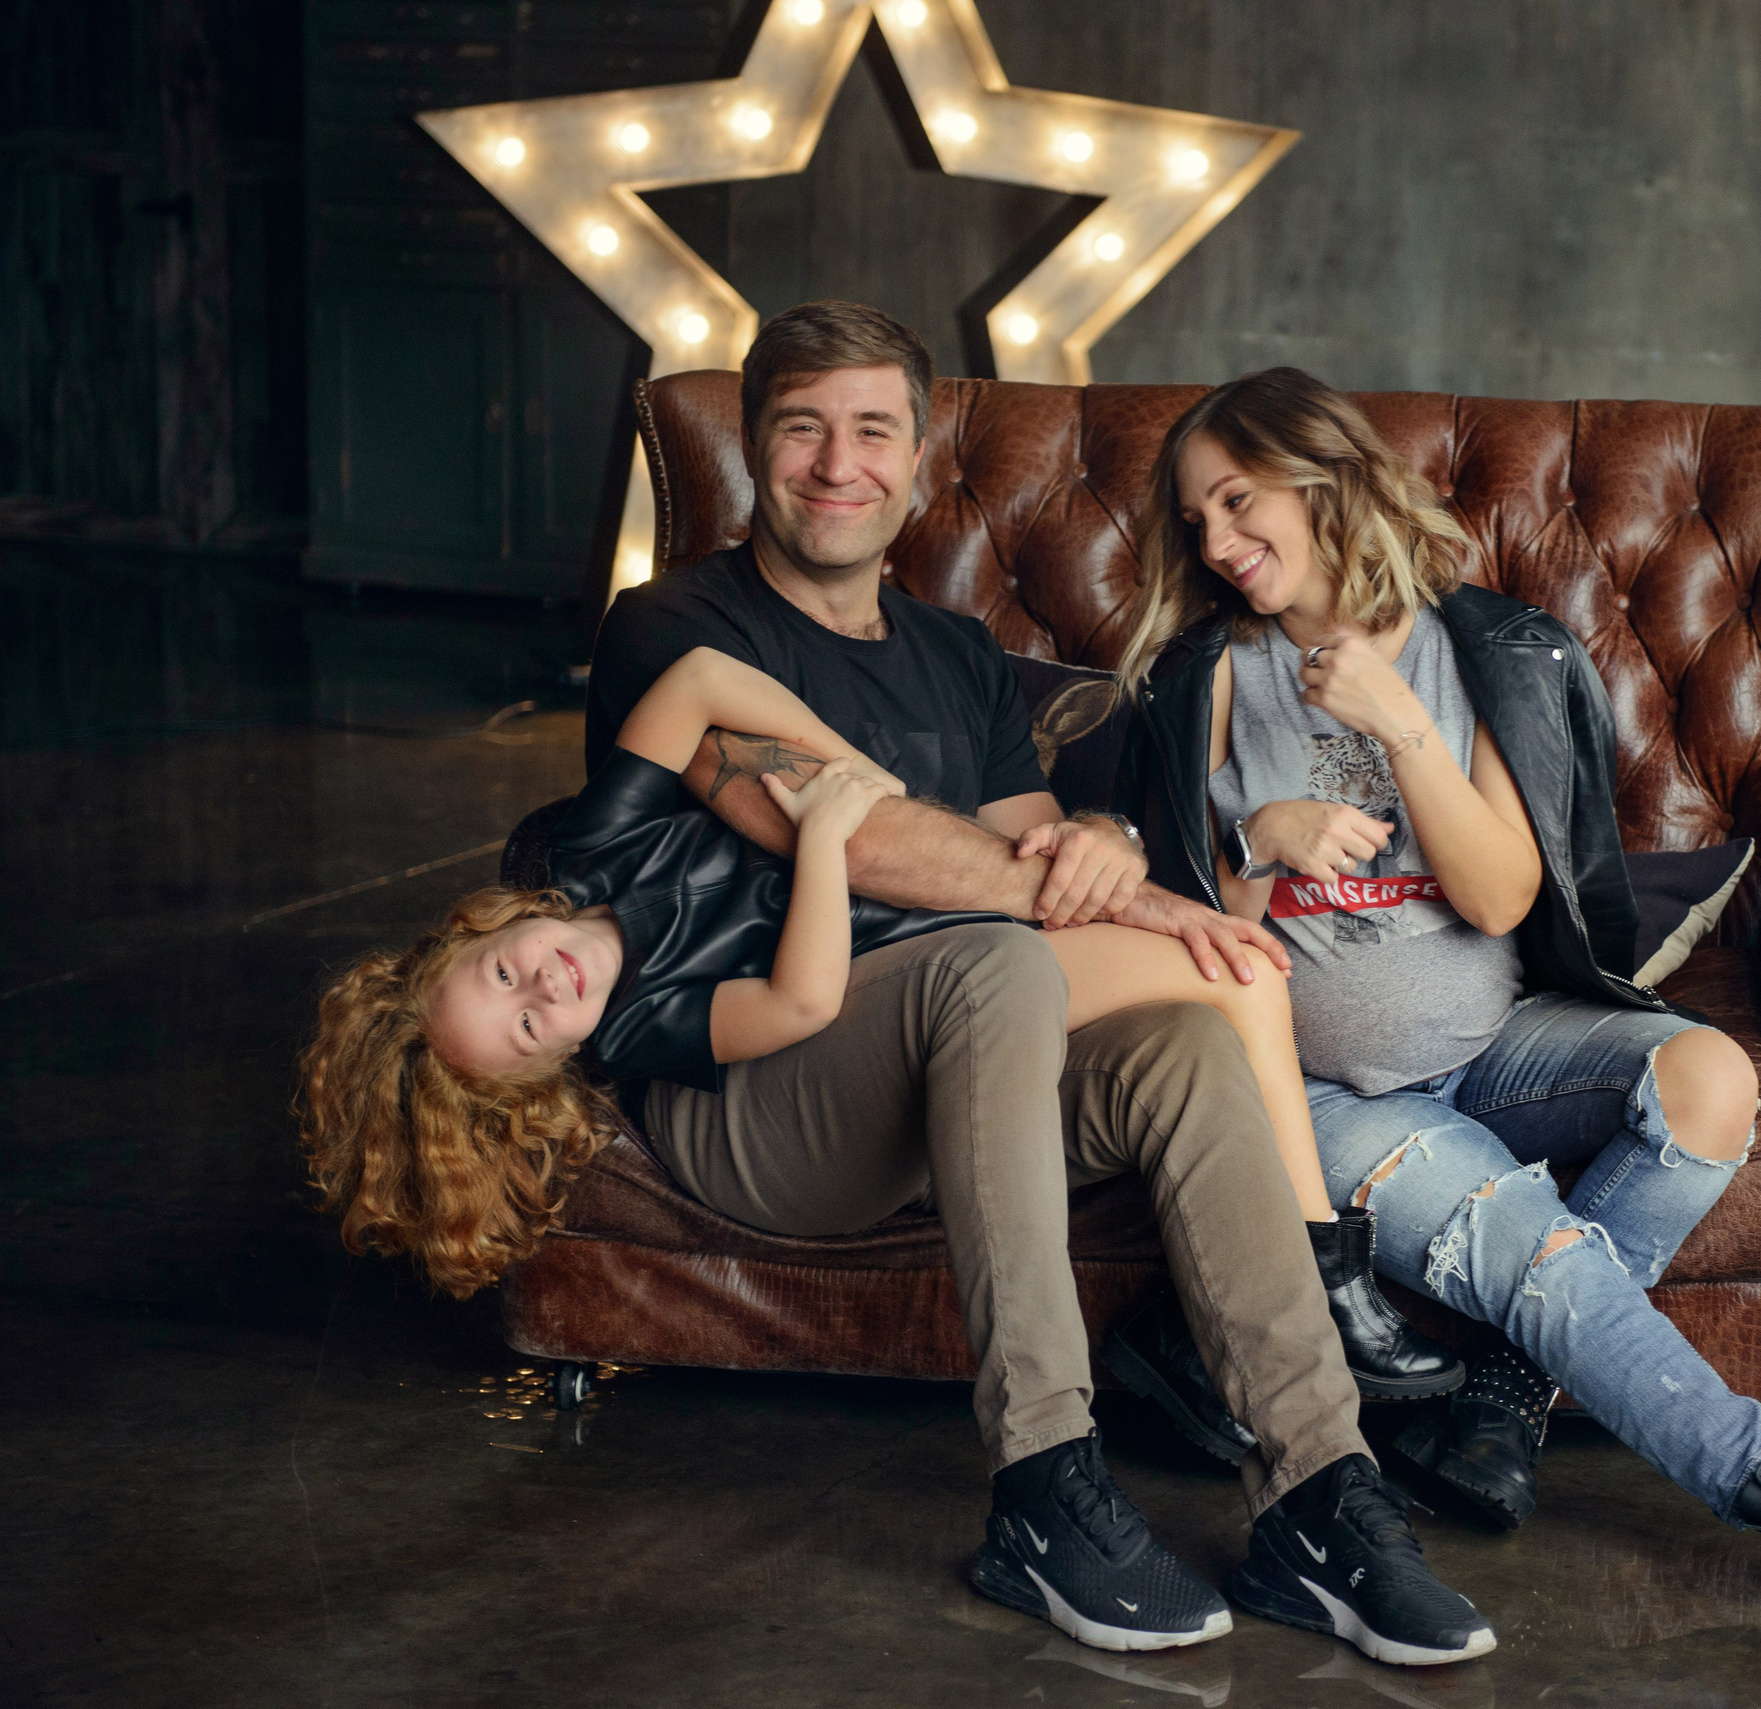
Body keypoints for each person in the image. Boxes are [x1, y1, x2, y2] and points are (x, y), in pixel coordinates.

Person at [299, 306, 1495, 1667]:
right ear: (753, 448)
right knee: (994, 960)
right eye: (800, 425)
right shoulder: (671, 620)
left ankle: (1318, 1490)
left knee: (1179, 1042)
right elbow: (855, 833)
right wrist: (1090, 883)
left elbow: (1043, 846)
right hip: (760, 1090)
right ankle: (1045, 1479)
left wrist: (1105, 850)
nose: (836, 461)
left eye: (873, 428)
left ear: (921, 458)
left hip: (949, 1053)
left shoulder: (959, 657)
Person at [1114, 367, 1761, 1653]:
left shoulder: (1475, 644)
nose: (1216, 541)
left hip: (1494, 1043)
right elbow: (1191, 935)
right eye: (1192, 522)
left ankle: (1507, 1394)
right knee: (1537, 1252)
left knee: (1707, 1081)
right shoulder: (1211, 677)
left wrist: (1398, 719)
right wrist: (1261, 834)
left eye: (1236, 500)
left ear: (1323, 475)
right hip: (1323, 1101)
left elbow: (1500, 888)